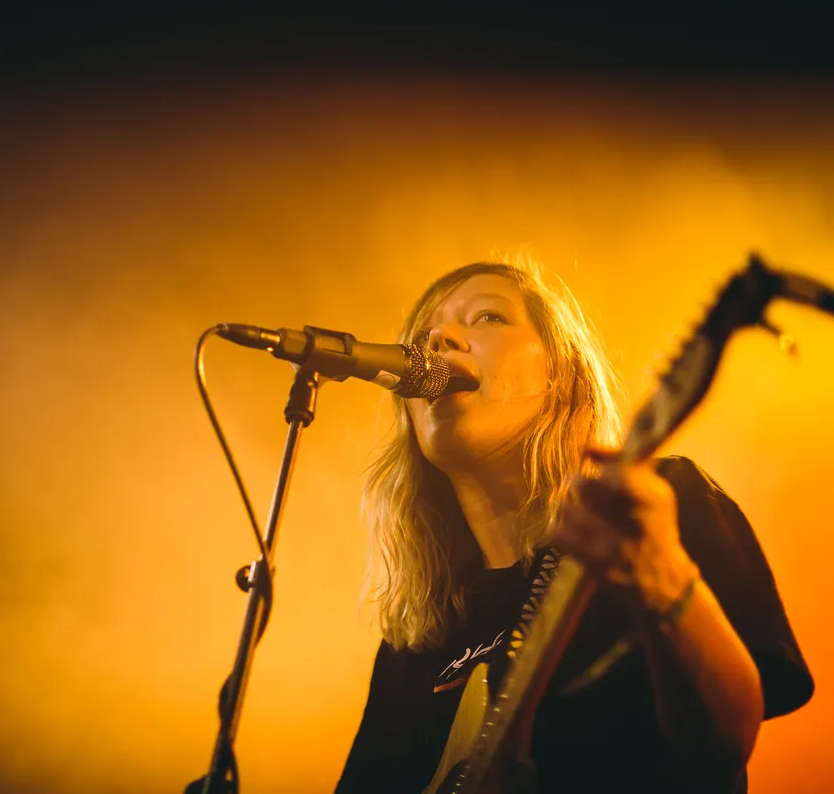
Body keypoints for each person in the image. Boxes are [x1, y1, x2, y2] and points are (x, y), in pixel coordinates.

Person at [335, 259, 813, 793]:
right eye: (424, 335)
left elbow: (723, 745)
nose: (439, 339)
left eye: (488, 317)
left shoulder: (657, 504)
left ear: (561, 375)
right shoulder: (416, 640)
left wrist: (662, 579)